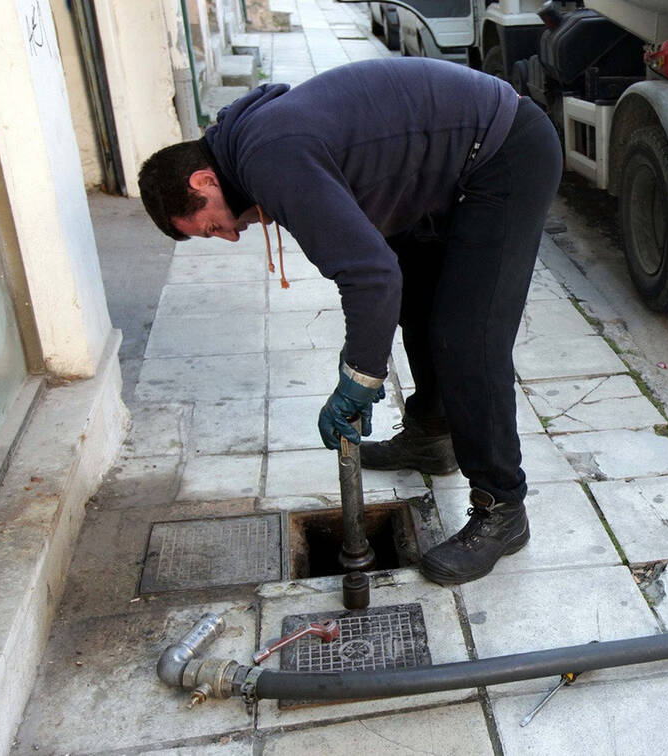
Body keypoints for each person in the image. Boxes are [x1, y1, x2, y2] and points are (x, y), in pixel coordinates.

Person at [138, 57, 563, 585]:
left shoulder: (269, 157)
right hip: (450, 167)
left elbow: (369, 275)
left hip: (505, 154)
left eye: (211, 226)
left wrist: (358, 380)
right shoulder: (250, 148)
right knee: (421, 303)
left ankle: (503, 507)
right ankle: (433, 436)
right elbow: (381, 270)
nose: (229, 236)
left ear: (204, 179)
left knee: (467, 336)